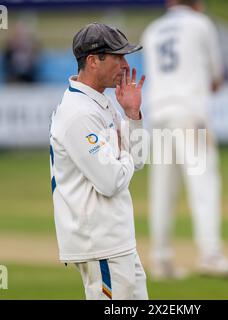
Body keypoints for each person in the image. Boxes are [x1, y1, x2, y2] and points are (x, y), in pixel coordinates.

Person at [142, 0, 228, 279]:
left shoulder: (152, 30)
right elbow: (216, 78)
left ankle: (161, 260)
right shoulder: (200, 24)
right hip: (190, 113)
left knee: (163, 189)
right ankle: (210, 254)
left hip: (159, 114)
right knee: (204, 182)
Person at [49, 22, 148, 300]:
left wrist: (133, 115)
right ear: (93, 61)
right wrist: (123, 155)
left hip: (117, 241)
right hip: (100, 243)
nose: (125, 65)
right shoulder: (78, 114)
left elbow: (138, 160)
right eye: (118, 57)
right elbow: (111, 180)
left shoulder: (99, 104)